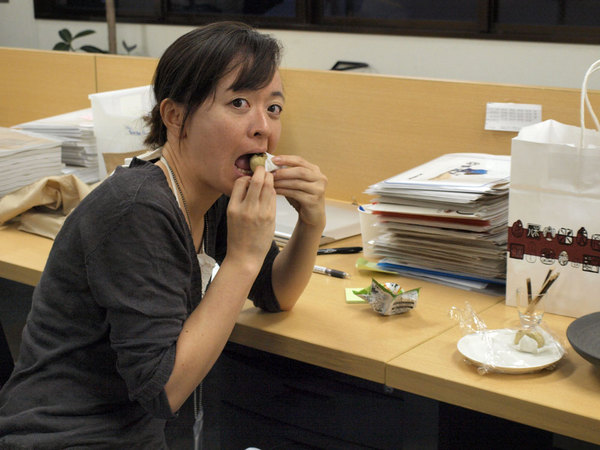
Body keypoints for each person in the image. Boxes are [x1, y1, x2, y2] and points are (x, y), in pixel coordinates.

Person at [0, 21, 327, 448]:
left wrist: (311, 223)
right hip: (67, 436)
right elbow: (163, 389)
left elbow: (276, 293)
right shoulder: (137, 207)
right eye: (239, 103)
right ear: (175, 117)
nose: (263, 127)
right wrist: (243, 258)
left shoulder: (212, 193)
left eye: (274, 108)